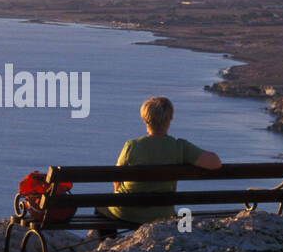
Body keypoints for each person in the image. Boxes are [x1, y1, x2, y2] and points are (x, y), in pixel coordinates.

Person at [94, 96, 221, 236]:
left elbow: (117, 180)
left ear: (145, 119)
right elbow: (215, 163)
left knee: (100, 207)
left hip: (126, 212)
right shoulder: (179, 147)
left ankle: (109, 246)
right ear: (169, 119)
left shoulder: (132, 146)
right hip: (162, 214)